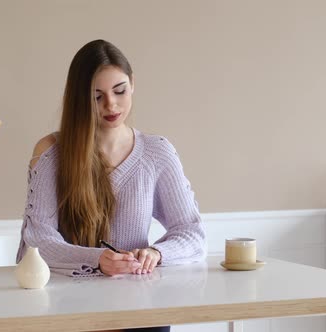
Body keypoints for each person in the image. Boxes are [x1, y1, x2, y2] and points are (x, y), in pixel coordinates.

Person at [16, 39, 207, 332]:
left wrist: (157, 254)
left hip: (139, 309)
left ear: (132, 84)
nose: (112, 105)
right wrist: (98, 261)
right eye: (97, 96)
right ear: (80, 99)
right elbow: (37, 243)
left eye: (120, 91)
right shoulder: (51, 153)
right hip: (67, 307)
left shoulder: (158, 153)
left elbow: (191, 232)